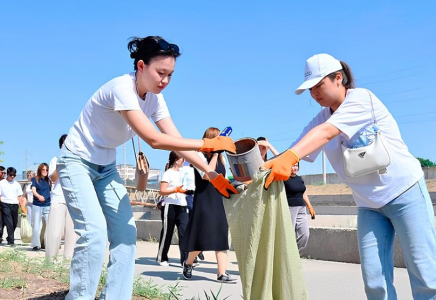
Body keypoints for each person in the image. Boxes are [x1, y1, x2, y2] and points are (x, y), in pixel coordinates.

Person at [56, 36, 237, 299]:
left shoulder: (155, 99)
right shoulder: (122, 88)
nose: (165, 80)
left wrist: (209, 172)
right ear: (141, 66)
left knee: (127, 236)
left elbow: (176, 141)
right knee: (94, 234)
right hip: (76, 160)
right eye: (160, 72)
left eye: (170, 75)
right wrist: (207, 144)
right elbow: (154, 140)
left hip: (106, 166)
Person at [264, 53, 436, 299]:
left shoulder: (362, 99)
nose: (314, 93)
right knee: (376, 282)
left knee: (425, 275)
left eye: (318, 85)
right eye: (310, 89)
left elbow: (324, 134)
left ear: (338, 78)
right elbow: (296, 148)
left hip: (405, 193)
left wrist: (291, 155)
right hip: (369, 206)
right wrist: (250, 173)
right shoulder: (320, 119)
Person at [181, 127, 237, 283]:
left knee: (221, 235)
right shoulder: (199, 155)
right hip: (204, 200)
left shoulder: (221, 158)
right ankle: (188, 263)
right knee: (202, 237)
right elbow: (207, 175)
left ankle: (221, 273)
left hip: (218, 199)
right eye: (218, 138)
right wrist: (215, 154)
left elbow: (224, 177)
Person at [46, 134, 77, 260]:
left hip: (73, 200)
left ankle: (68, 262)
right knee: (54, 233)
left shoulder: (77, 161)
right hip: (58, 199)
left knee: (72, 234)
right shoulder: (56, 159)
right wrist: (62, 161)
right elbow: (53, 178)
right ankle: (50, 260)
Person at [156, 151, 190, 266]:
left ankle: (185, 260)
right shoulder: (168, 173)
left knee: (184, 232)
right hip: (169, 205)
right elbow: (162, 190)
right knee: (167, 232)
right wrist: (175, 190)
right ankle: (162, 258)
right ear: (176, 160)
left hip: (182, 205)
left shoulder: (184, 173)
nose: (184, 161)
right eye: (182, 159)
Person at [283, 162, 316, 255]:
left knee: (305, 234)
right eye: (292, 165)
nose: (294, 168)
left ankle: (295, 255)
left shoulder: (299, 178)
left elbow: (303, 193)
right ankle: (287, 257)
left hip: (302, 208)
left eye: (296, 165)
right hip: (290, 208)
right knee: (288, 235)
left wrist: (310, 206)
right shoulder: (283, 179)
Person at [31, 163, 51, 251]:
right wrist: (39, 196)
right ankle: (36, 245)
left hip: (47, 204)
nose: (45, 171)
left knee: (50, 224)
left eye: (46, 170)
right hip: (37, 204)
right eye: (43, 169)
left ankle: (49, 243)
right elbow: (33, 191)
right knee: (36, 225)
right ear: (40, 170)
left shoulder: (49, 180)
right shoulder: (35, 179)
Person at [0, 167, 22, 245]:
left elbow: (19, 196)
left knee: (14, 222)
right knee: (9, 222)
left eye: (14, 175)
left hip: (15, 204)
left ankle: (9, 236)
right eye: (11, 175)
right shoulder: (2, 183)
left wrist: (22, 206)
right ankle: (11, 241)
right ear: (7, 174)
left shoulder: (16, 184)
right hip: (5, 203)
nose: (12, 176)